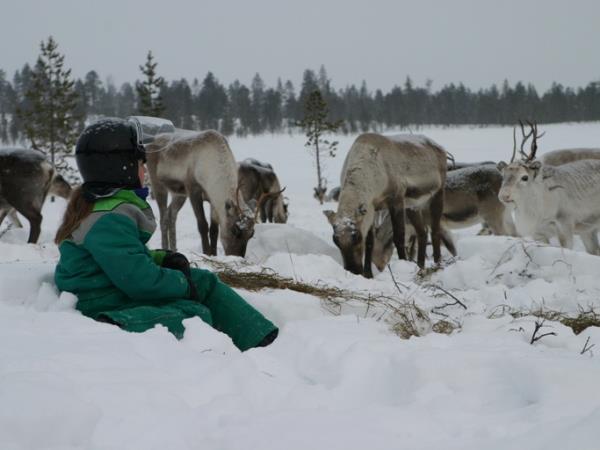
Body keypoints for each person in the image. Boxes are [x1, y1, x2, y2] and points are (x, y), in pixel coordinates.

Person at [54, 118, 278, 351]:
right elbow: (139, 281)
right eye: (141, 164)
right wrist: (182, 284)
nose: (145, 171)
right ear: (121, 168)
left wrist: (162, 259)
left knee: (205, 281)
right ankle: (116, 326)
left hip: (111, 286)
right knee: (194, 314)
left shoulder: (110, 208)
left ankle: (263, 339)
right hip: (99, 300)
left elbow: (127, 258)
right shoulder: (108, 218)